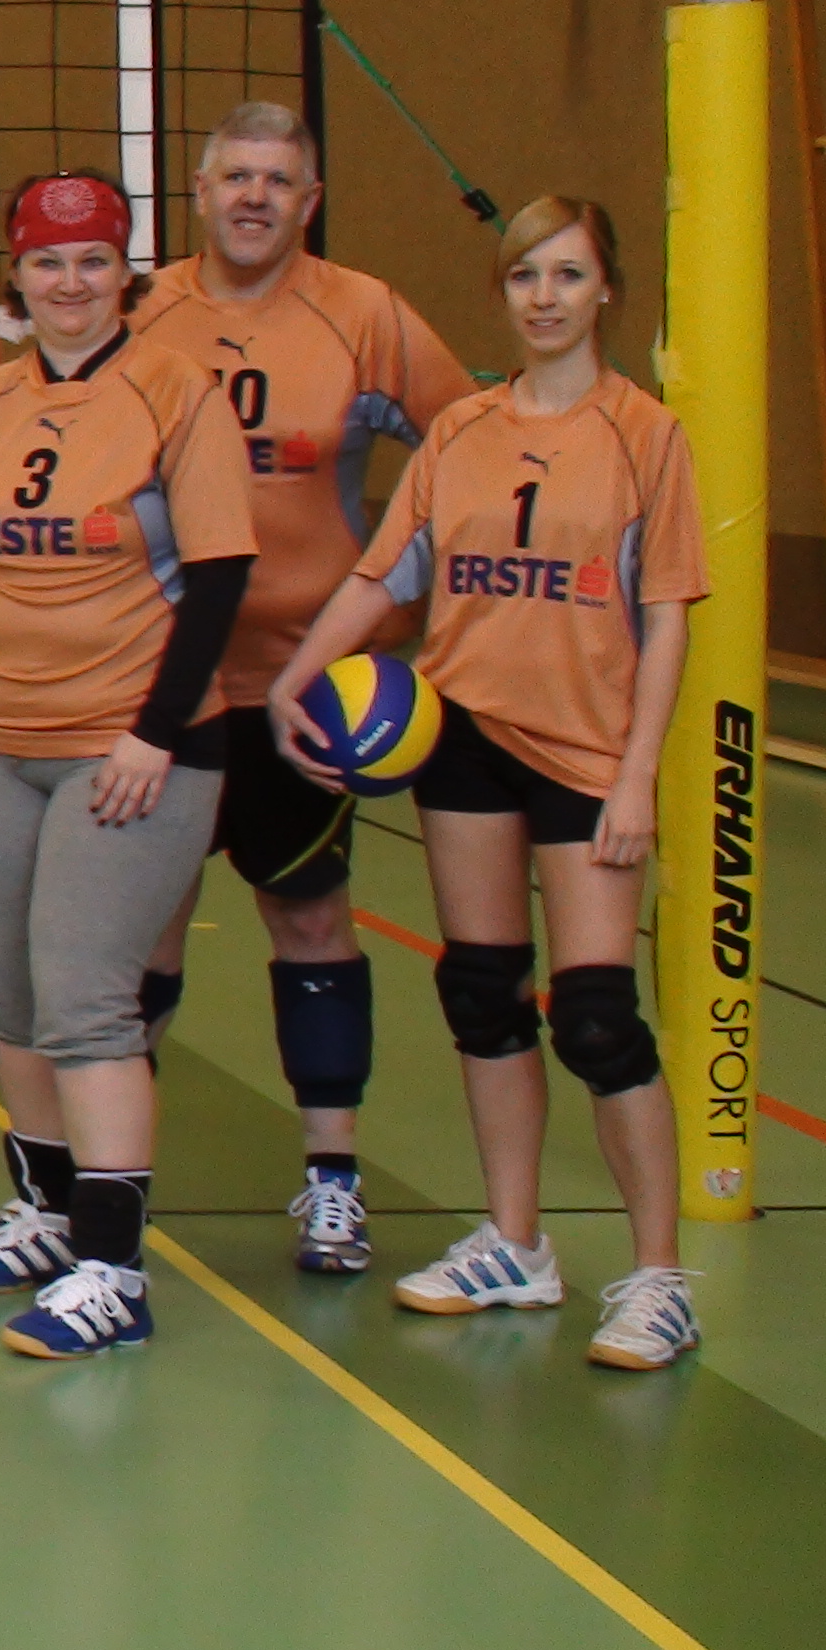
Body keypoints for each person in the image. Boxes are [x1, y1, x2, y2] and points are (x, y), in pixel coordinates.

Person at [268, 197, 704, 1371]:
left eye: (567, 274)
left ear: (606, 289)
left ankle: (660, 1278)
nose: (544, 297)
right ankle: (516, 1244)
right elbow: (382, 577)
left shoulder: (644, 434)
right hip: (464, 737)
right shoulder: (461, 429)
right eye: (524, 276)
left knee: (598, 1019)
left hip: (587, 753)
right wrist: (297, 679)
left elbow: (667, 619)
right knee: (481, 992)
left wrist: (638, 777)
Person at [0, 171, 257, 1357]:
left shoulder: (175, 391)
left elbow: (220, 578)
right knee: (9, 996)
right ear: (16, 277)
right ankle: (48, 1214)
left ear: (126, 272)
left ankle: (114, 1272)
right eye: (48, 262)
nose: (70, 282)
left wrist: (156, 731)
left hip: (129, 749)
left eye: (93, 259)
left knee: (89, 1000)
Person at [129, 103, 473, 1274]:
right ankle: (105, 1179)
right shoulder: (142, 312)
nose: (254, 198)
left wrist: (402, 602)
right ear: (198, 189)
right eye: (236, 177)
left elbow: (469, 446)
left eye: (278, 181)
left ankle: (333, 1182)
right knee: (143, 929)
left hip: (305, 686)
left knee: (312, 917)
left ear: (309, 201)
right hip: (165, 684)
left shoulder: (365, 315)